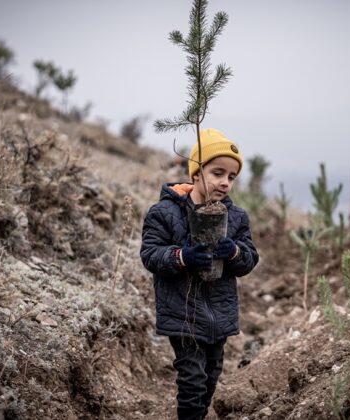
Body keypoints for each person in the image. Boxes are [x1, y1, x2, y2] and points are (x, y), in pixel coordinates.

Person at [140, 128, 259, 420]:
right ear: (196, 172)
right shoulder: (164, 212)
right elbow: (151, 254)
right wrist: (182, 256)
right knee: (192, 380)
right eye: (218, 173)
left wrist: (233, 253)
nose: (225, 183)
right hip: (183, 314)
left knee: (209, 379)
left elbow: (249, 259)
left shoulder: (237, 217)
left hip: (220, 315)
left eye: (232, 177)